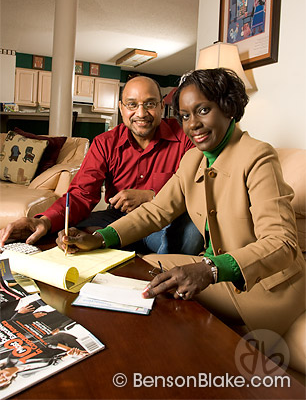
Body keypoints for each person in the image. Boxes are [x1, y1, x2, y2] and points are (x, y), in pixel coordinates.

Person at [57, 68, 305, 373]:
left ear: (228, 107)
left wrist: (210, 268)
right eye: (185, 116)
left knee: (157, 297)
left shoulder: (258, 157)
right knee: (145, 266)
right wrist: (100, 237)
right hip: (216, 272)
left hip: (265, 287)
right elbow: (156, 211)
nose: (193, 125)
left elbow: (282, 243)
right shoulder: (194, 159)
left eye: (203, 110)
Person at [0, 76, 203, 255]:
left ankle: (157, 267)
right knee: (68, 234)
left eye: (149, 104)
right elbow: (81, 194)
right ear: (121, 107)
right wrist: (44, 221)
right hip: (117, 217)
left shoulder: (185, 137)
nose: (141, 113)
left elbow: (198, 189)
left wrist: (152, 196)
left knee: (191, 236)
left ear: (161, 107)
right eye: (132, 105)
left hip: (166, 220)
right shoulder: (104, 143)